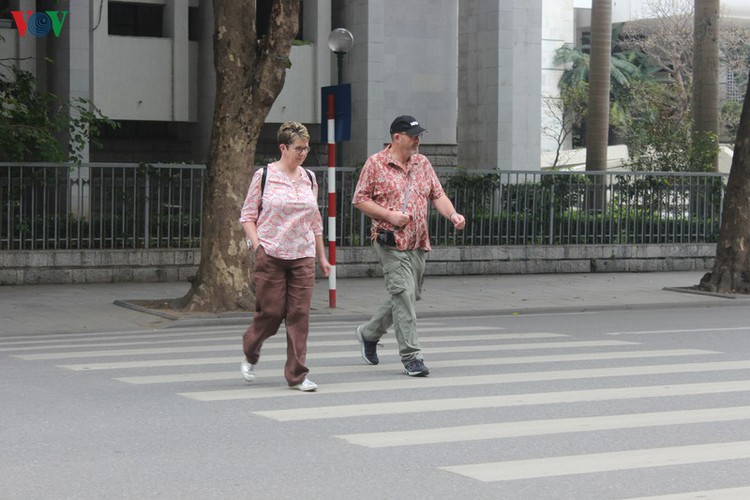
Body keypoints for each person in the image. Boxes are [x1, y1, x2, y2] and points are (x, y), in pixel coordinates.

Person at [352, 115, 466, 376]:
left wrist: (453, 215)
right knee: (403, 295)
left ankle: (369, 333)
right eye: (413, 135)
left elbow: (438, 195)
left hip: (417, 241)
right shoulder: (376, 164)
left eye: (419, 135)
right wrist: (389, 215)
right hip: (390, 242)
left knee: (408, 296)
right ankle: (412, 357)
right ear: (396, 137)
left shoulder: (422, 163)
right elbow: (359, 200)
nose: (417, 140)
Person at [239, 122, 330, 392]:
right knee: (271, 312)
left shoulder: (310, 178)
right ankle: (251, 350)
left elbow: (315, 221)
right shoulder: (264, 175)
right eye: (297, 148)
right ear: (283, 147)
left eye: (306, 148)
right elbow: (247, 216)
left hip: (302, 255)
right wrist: (258, 247)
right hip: (272, 254)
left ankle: (297, 375)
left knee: (299, 315)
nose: (303, 153)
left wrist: (322, 257)